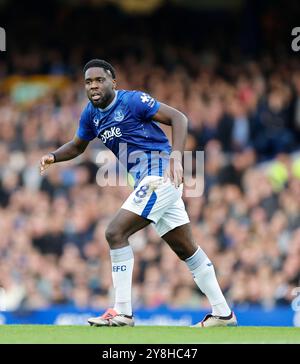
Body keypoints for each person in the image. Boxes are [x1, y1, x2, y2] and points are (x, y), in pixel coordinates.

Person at [40, 59, 237, 328]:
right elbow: (77, 146)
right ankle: (223, 314)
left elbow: (178, 118)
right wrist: (53, 156)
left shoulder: (132, 101)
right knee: (186, 249)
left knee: (115, 232)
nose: (94, 86)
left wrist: (176, 158)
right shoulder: (90, 114)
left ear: (113, 82)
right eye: (88, 82)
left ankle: (123, 312)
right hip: (147, 181)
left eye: (99, 80)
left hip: (160, 175)